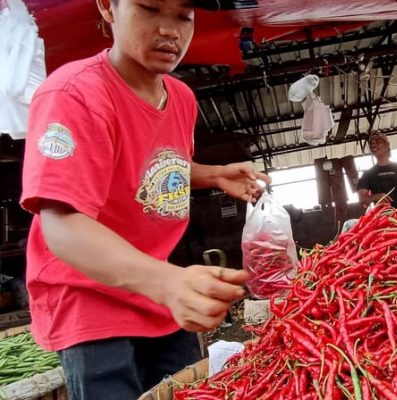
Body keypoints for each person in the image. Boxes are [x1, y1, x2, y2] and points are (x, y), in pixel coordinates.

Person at [19, 0, 269, 398]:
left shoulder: (181, 97)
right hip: (89, 299)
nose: (170, 30)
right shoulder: (74, 94)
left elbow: (155, 164)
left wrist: (210, 174)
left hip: (156, 295)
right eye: (150, 8)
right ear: (107, 7)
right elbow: (61, 226)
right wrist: (167, 282)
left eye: (184, 16)